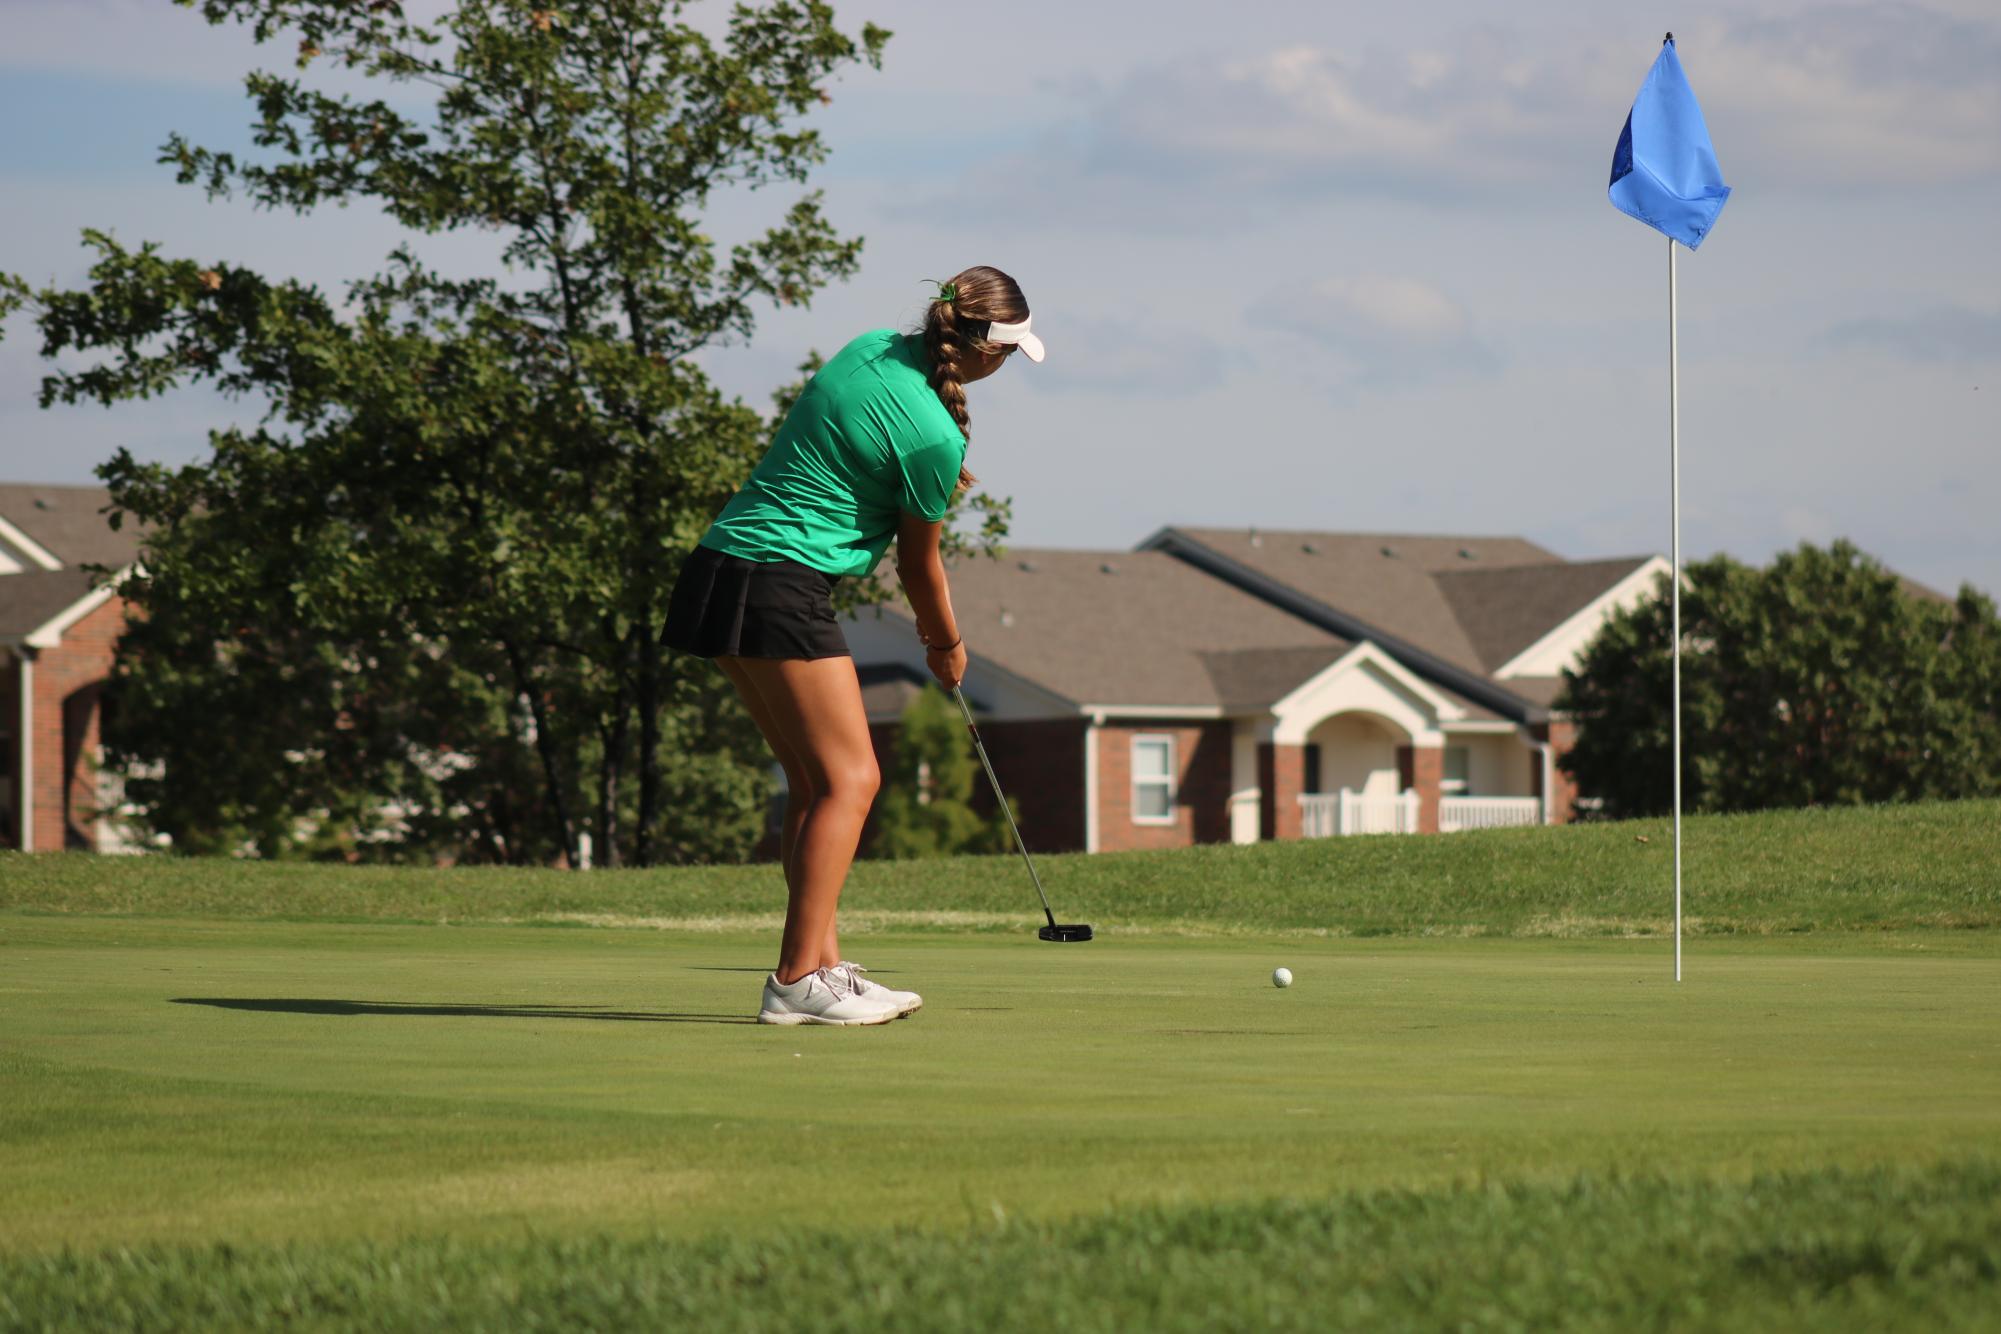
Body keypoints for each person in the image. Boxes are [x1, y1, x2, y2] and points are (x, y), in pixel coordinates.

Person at [663, 265, 1044, 1026]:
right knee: (852, 780)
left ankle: (824, 968)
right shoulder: (934, 436)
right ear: (981, 349)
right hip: (780, 581)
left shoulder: (869, 347)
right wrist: (946, 645)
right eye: (1006, 353)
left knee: (813, 782)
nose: (1004, 367)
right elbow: (918, 564)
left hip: (719, 567)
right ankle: (796, 978)